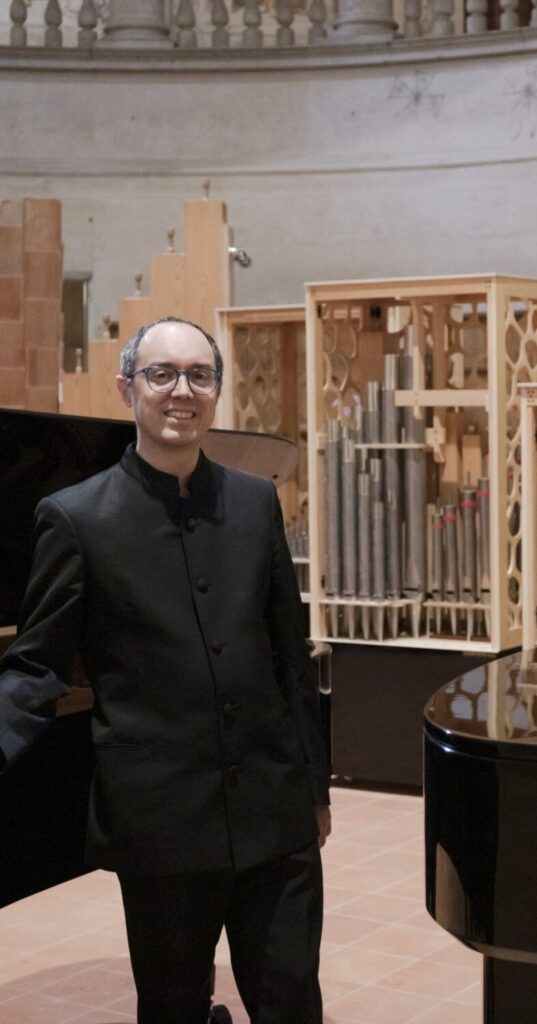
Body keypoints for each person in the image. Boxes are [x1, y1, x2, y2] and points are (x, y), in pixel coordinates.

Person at [0, 316, 331, 1024]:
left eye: (199, 375)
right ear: (128, 389)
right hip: (162, 828)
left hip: (275, 813)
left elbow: (289, 656)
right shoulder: (75, 518)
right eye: (162, 374)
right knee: (174, 1007)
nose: (181, 391)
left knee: (293, 1004)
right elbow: (36, 668)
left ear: (216, 391)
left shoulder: (253, 503)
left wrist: (315, 787)